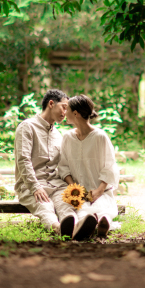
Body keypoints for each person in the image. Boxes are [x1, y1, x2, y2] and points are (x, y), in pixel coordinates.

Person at [57, 94, 120, 240]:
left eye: (67, 109)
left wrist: (99, 190)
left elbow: (110, 167)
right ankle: (92, 224)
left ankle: (103, 222)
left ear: (75, 113)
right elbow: (63, 166)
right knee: (82, 210)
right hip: (78, 193)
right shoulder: (67, 137)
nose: (64, 113)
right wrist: (74, 188)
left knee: (103, 205)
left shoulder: (100, 137)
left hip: (100, 191)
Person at [13, 89, 75, 233]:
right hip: (31, 186)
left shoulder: (58, 135)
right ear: (51, 104)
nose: (65, 113)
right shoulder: (27, 127)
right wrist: (35, 187)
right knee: (45, 207)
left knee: (66, 205)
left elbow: (62, 165)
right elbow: (23, 160)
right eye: (64, 107)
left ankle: (77, 228)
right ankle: (59, 229)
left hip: (55, 184)